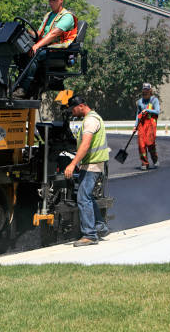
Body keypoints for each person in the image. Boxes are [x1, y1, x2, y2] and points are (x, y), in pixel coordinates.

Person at [12, 0, 78, 99]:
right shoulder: (48, 15)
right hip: (47, 48)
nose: (50, 3)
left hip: (60, 50)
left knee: (35, 53)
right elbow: (39, 34)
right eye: (49, 0)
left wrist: (37, 46)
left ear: (61, 0)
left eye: (53, 0)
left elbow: (53, 34)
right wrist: (25, 31)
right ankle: (19, 84)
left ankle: (24, 89)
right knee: (20, 52)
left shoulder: (67, 17)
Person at [63, 95, 110, 247]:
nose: (72, 112)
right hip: (91, 164)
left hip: (92, 165)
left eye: (73, 109)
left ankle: (90, 235)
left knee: (83, 198)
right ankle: (100, 226)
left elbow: (86, 144)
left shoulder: (90, 120)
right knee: (87, 196)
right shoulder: (92, 118)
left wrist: (72, 164)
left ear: (81, 106)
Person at [133, 83, 160, 170]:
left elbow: (157, 111)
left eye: (147, 92)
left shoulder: (154, 100)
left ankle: (155, 160)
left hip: (151, 125)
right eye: (144, 92)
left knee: (150, 144)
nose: (145, 94)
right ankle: (144, 163)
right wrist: (135, 126)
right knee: (141, 145)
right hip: (142, 125)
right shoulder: (140, 101)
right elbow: (138, 114)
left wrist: (147, 110)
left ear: (150, 92)